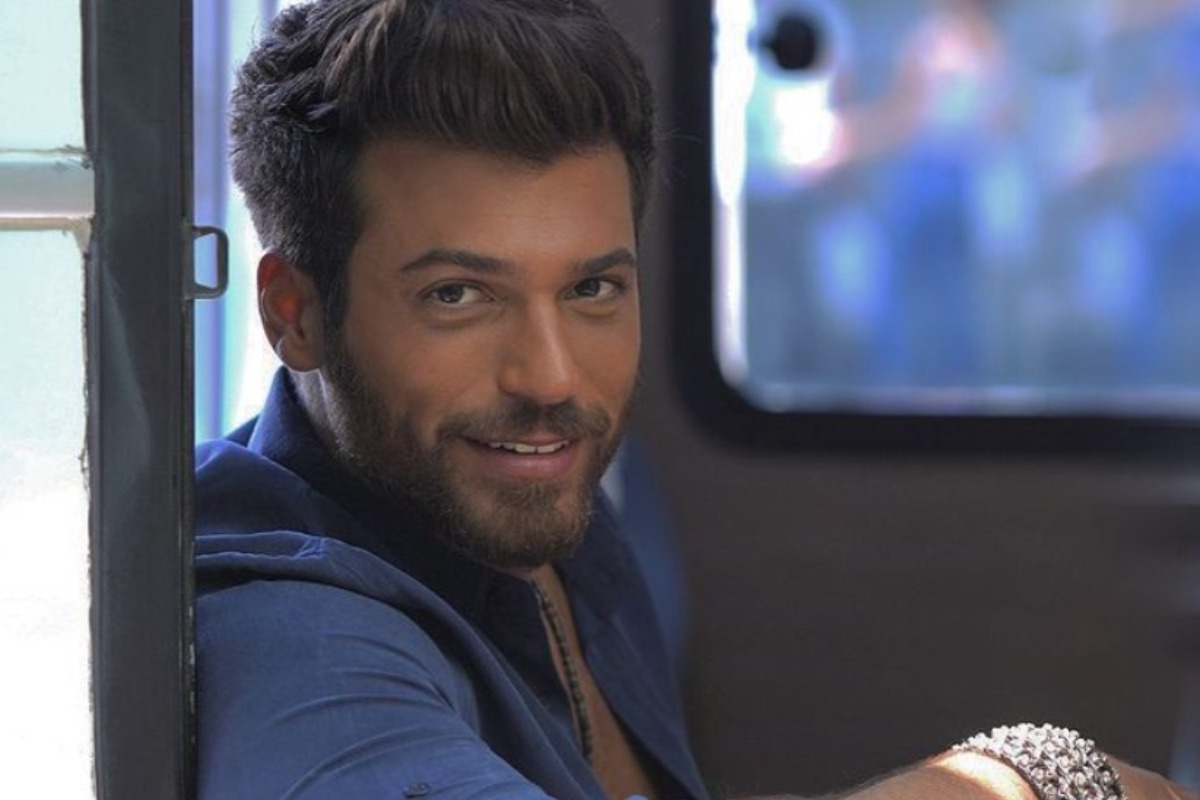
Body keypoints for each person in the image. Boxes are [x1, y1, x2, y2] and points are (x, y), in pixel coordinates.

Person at [193, 1, 1199, 799]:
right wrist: (1023, 778)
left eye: (592, 288)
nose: (551, 377)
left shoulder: (556, 509)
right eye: (458, 296)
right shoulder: (286, 632)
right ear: (295, 314)